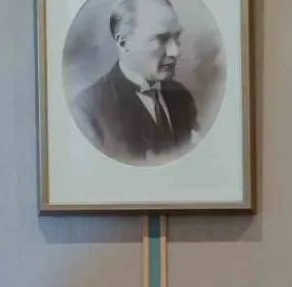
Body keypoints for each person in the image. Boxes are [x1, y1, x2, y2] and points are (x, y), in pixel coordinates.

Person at [69, 0, 198, 164]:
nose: (175, 51)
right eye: (161, 39)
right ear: (123, 43)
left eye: (177, 37)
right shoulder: (88, 109)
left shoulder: (183, 99)